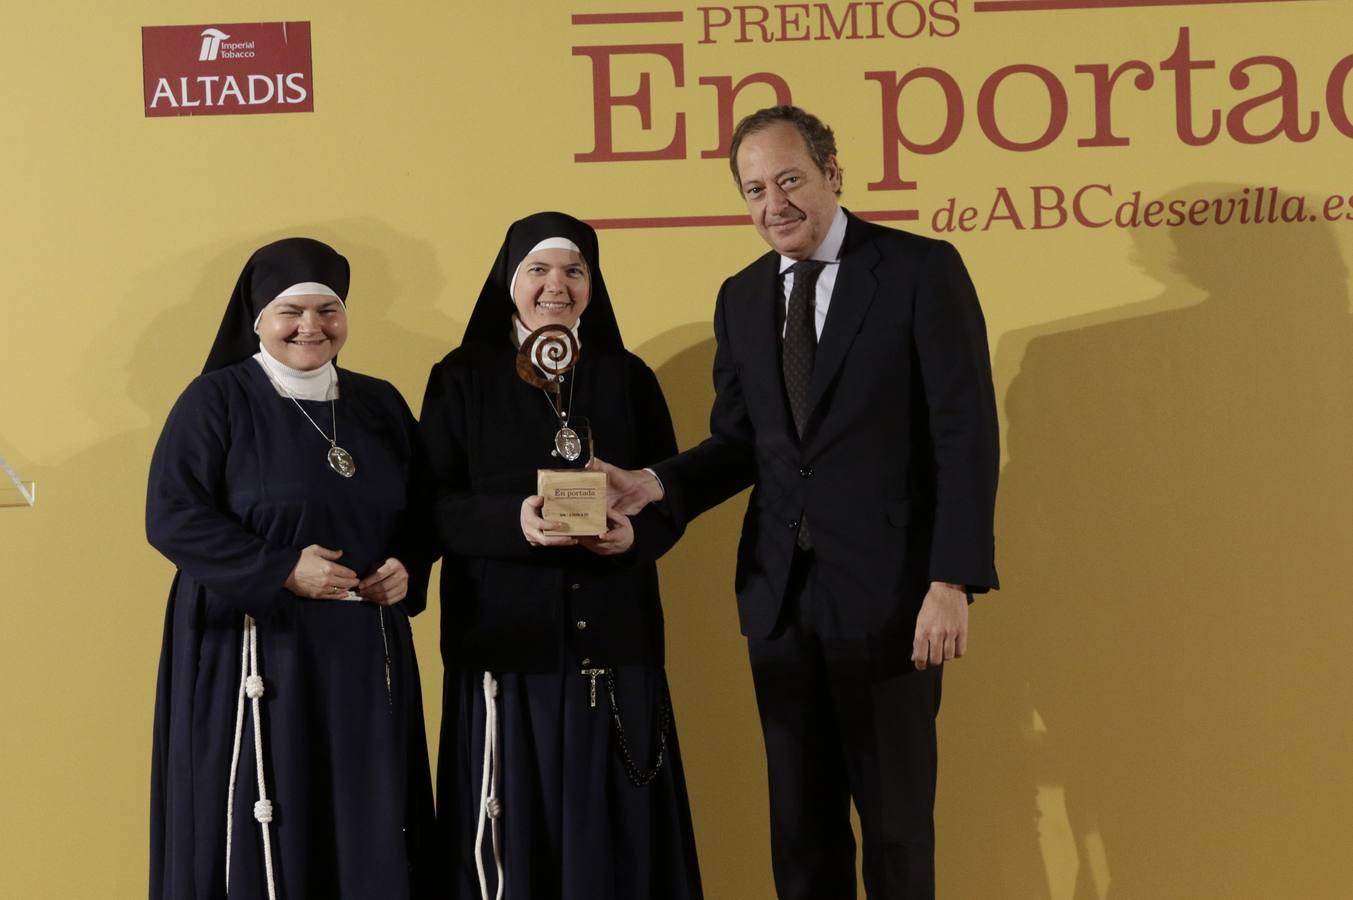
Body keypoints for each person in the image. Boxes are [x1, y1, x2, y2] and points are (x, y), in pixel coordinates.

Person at [599, 106, 1000, 899]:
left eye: (789, 180)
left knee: (893, 832)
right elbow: (741, 444)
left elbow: (966, 435)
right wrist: (658, 484)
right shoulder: (741, 297)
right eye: (753, 189)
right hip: (780, 600)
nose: (772, 205)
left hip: (893, 600)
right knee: (801, 833)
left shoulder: (920, 270)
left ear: (832, 175)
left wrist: (949, 581)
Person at [420, 211, 702, 900]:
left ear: (592, 284)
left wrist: (637, 536)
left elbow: (666, 495)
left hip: (616, 638)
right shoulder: (460, 377)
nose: (557, 286)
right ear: (509, 282)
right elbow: (430, 508)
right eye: (539, 270)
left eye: (574, 271)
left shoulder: (627, 376)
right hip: (505, 645)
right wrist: (513, 520)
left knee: (617, 837)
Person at [146, 237, 439, 899]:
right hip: (254, 650)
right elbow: (171, 514)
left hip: (362, 653)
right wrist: (280, 568)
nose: (312, 326)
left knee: (363, 815)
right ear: (256, 317)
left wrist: (407, 567)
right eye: (291, 311)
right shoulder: (215, 401)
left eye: (328, 309)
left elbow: (423, 510)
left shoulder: (378, 404)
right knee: (268, 812)